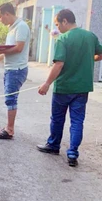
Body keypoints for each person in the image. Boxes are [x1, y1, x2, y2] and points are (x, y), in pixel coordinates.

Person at [37, 9, 102, 167]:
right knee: (77, 121)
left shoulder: (63, 39)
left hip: (64, 87)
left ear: (65, 21)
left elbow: (59, 64)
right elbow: (100, 53)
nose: (57, 28)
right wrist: (91, 59)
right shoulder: (90, 36)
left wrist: (46, 83)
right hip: (82, 88)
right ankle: (72, 153)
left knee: (58, 118)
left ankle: (53, 145)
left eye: (58, 24)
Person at [0, 2, 30, 139]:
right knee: (9, 98)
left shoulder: (21, 27)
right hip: (10, 68)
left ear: (7, 14)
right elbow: (8, 49)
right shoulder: (12, 27)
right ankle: (8, 126)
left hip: (17, 69)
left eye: (0, 17)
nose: (0, 20)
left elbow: (18, 48)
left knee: (11, 99)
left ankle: (10, 130)